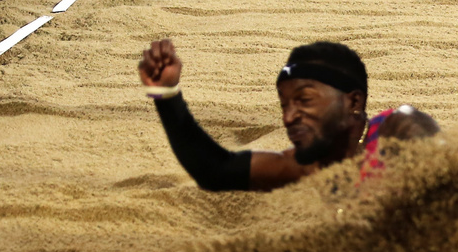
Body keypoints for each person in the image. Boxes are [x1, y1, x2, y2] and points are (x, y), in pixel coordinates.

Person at [137, 38, 438, 191]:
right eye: (284, 105)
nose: (289, 117)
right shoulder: (309, 167)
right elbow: (215, 171)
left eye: (304, 100)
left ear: (353, 102)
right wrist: (166, 96)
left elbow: (451, 168)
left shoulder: (398, 128)